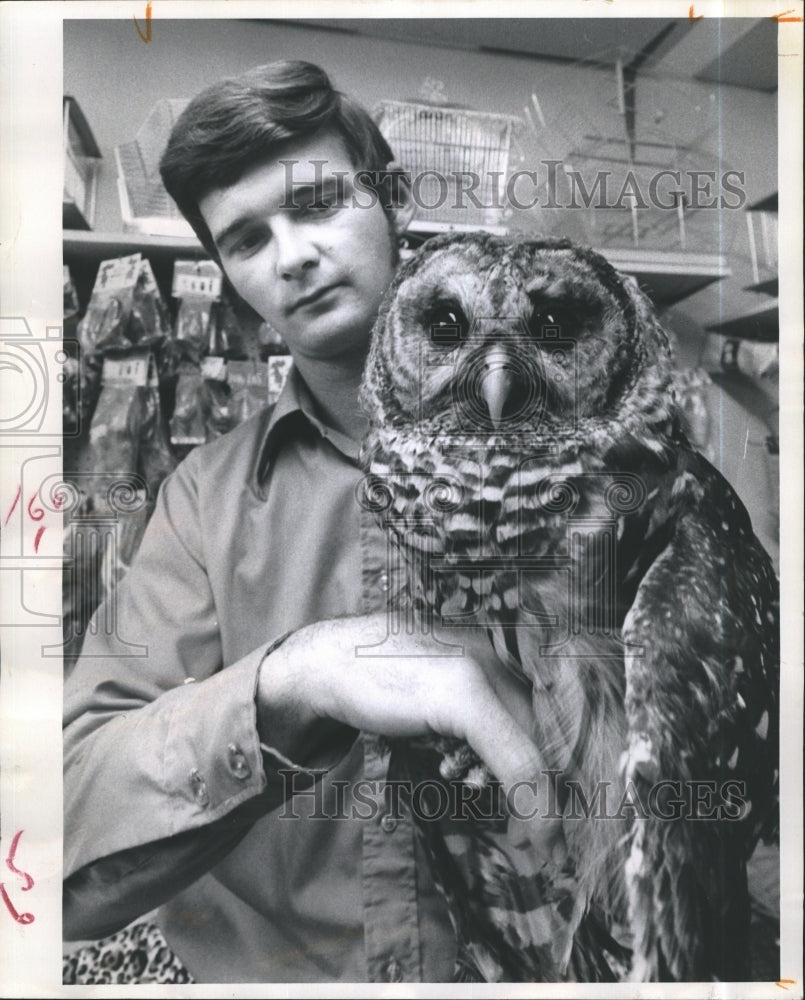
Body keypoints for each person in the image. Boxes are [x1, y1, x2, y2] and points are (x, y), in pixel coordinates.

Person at [62, 60, 561, 984]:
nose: (291, 256)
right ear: (229, 275)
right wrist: (300, 678)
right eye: (247, 240)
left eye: (320, 202)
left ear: (392, 202)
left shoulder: (575, 456)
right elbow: (59, 850)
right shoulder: (200, 506)